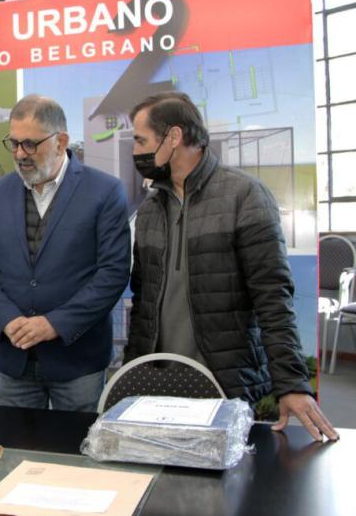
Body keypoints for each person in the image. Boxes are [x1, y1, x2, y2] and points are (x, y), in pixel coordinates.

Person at [125, 91, 339, 441]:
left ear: (174, 137)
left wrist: (291, 383)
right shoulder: (150, 208)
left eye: (140, 140)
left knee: (229, 492)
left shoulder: (245, 196)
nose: (135, 151)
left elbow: (273, 296)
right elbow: (144, 299)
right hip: (159, 387)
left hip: (227, 384)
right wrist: (132, 372)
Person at [0, 94, 131, 411]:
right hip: (14, 363)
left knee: (77, 452)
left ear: (61, 140)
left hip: (78, 362)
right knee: (16, 448)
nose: (19, 154)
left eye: (30, 144)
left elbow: (112, 274)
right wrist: (7, 318)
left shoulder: (105, 192)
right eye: (13, 144)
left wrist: (55, 324)